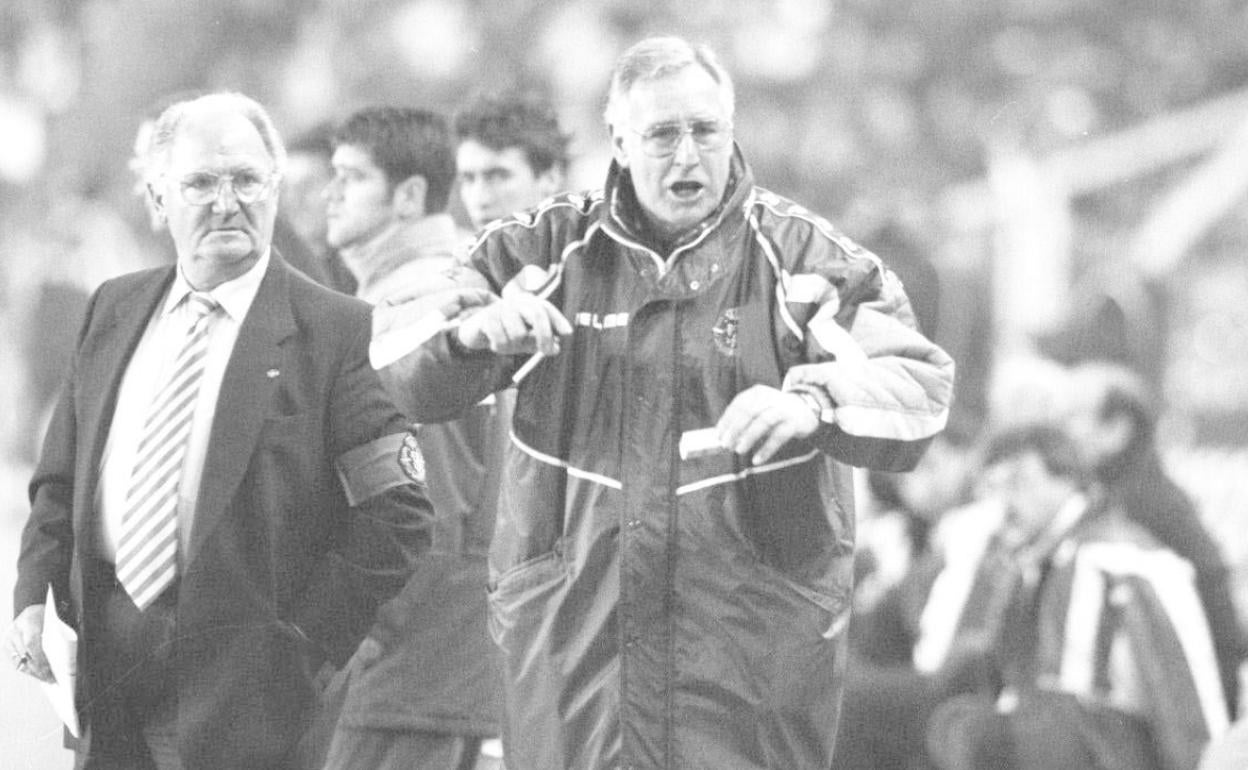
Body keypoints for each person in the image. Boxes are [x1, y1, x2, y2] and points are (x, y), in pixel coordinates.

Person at [373, 35, 955, 769]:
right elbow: (395, 352)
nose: (688, 156)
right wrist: (467, 333)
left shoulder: (805, 264)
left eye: (706, 131)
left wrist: (817, 399)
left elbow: (920, 383)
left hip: (748, 664)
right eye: (662, 135)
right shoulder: (543, 251)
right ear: (618, 140)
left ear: (732, 130)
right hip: (573, 657)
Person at [2, 92, 434, 769]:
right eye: (201, 182)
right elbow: (59, 483)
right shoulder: (114, 308)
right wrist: (32, 596)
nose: (226, 201)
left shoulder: (333, 328)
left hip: (246, 700)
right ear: (158, 194)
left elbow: (398, 517)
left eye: (247, 180)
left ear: (275, 190)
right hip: (107, 682)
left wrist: (301, 647)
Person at [317, 105, 499, 770]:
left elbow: (432, 513)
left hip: (403, 683)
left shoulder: (429, 305)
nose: (328, 193)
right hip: (411, 678)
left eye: (351, 177)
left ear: (411, 195)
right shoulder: (423, 295)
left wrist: (345, 647)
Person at [927, 424, 1229, 770]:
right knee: (955, 720)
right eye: (995, 489)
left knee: (983, 733)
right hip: (1082, 732)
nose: (1006, 503)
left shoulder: (1105, 556)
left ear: (1066, 479)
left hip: (1118, 743)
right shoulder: (1039, 556)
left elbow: (1079, 702)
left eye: (1018, 484)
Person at [1062, 360, 1246, 716]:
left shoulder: (1150, 504)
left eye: (1076, 416)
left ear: (1118, 428)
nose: (1064, 430)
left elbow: (1213, 599)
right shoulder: (1107, 497)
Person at [452, 92, 570, 231]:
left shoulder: (593, 249)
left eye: (498, 177)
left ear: (550, 179)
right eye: (468, 179)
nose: (480, 200)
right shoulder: (458, 250)